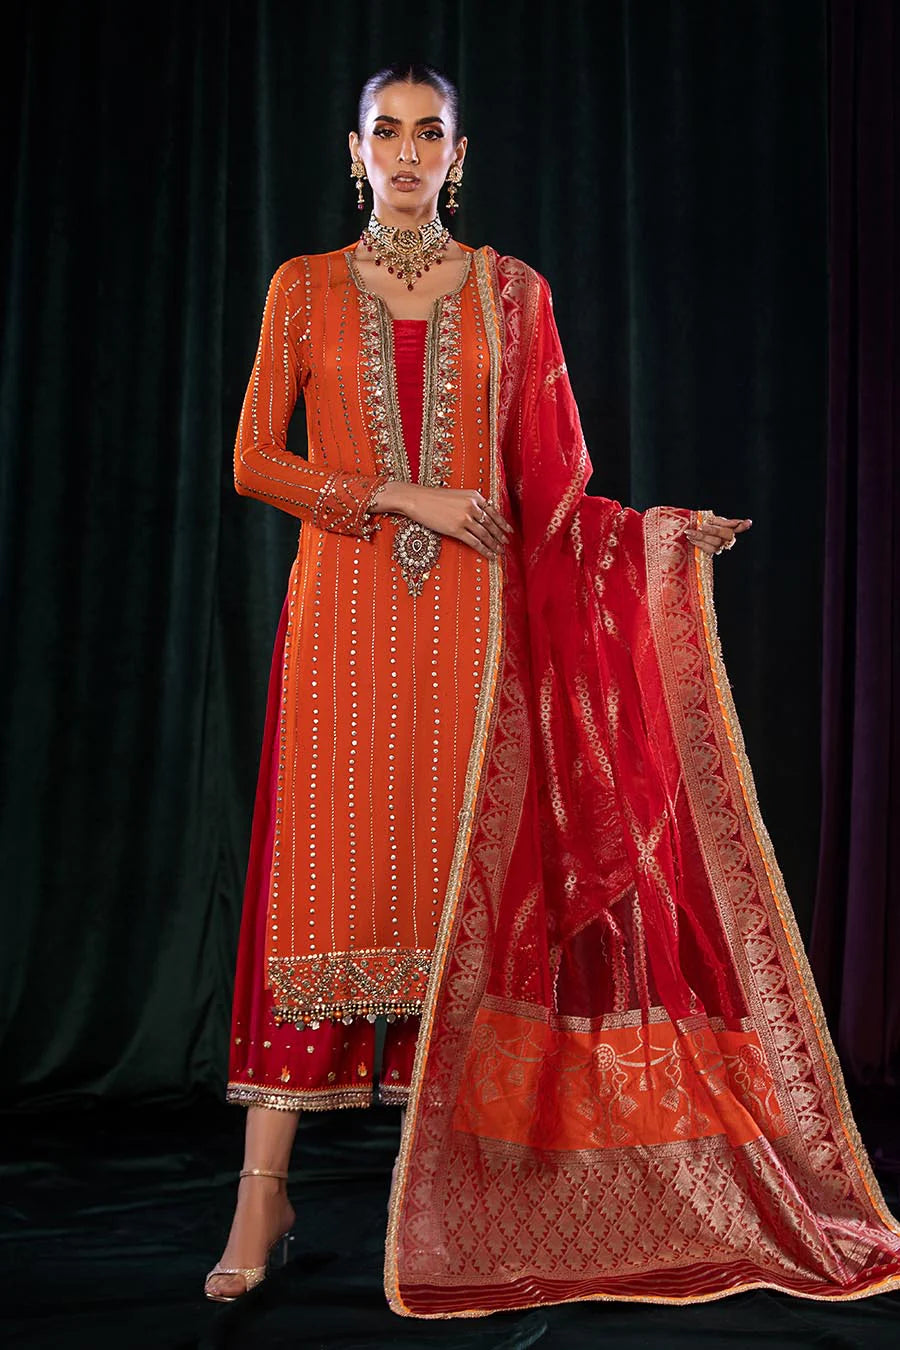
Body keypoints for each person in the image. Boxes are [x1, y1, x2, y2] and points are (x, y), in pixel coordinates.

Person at [205, 64, 900, 1314]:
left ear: (460, 156)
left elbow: (555, 496)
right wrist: (404, 497)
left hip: (480, 638)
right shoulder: (300, 289)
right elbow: (257, 458)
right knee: (327, 887)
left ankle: (476, 1192)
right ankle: (263, 1189)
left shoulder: (514, 294)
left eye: (431, 135)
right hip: (343, 640)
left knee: (471, 885)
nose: (407, 156)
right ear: (351, 148)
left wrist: (658, 543)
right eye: (386, 134)